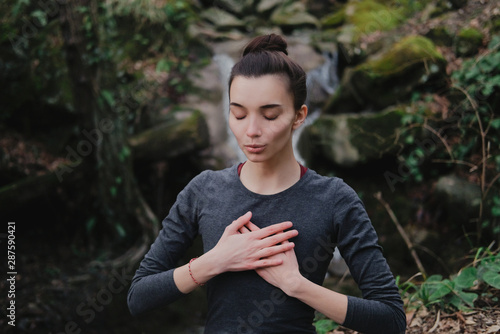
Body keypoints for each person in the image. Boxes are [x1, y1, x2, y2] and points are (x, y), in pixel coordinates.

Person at [127, 34, 407, 334]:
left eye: (270, 115)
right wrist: (215, 262)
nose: (251, 131)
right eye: (238, 114)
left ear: (299, 117)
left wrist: (296, 285)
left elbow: (390, 319)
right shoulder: (204, 190)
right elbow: (138, 297)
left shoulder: (334, 198)